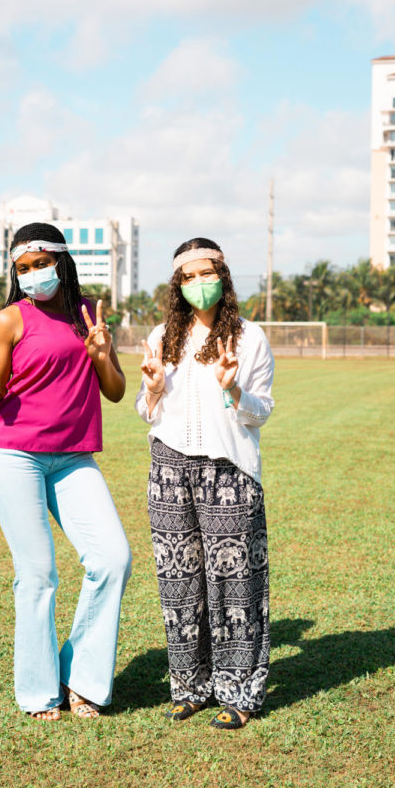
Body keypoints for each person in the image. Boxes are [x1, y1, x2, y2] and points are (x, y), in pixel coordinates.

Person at [0, 222, 132, 722]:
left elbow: (116, 390)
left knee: (112, 559)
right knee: (38, 574)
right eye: (23, 268)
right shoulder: (8, 321)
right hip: (11, 454)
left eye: (41, 264)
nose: (33, 275)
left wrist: (102, 355)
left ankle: (80, 679)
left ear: (62, 262)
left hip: (73, 456)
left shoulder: (89, 314)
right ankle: (40, 694)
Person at [135, 237, 274, 730]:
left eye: (206, 272)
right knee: (180, 584)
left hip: (228, 472)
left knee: (236, 584)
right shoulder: (162, 336)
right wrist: (151, 390)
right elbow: (146, 411)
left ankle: (239, 693)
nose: (198, 283)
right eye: (188, 276)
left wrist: (232, 388)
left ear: (224, 276)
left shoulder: (250, 338)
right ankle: (190, 687)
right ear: (177, 284)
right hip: (169, 470)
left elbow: (260, 412)